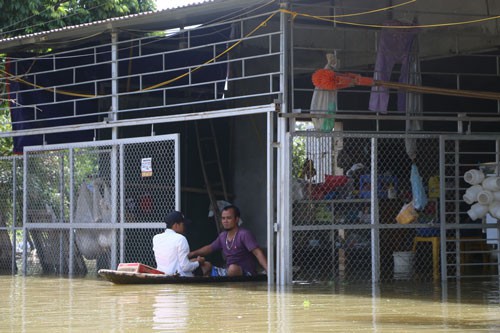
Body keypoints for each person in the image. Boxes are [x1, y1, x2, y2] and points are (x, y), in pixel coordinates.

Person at [189, 205, 268, 277]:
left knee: (233, 268)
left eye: (229, 218)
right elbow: (209, 248)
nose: (225, 221)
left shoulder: (244, 234)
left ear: (236, 219)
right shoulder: (223, 236)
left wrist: (269, 271)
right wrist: (192, 253)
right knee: (199, 263)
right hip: (227, 272)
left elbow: (258, 253)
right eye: (223, 218)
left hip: (246, 273)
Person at [153, 211, 211, 277]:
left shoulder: (156, 238)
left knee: (193, 261)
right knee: (207, 265)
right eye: (183, 224)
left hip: (162, 275)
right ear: (176, 225)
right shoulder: (181, 239)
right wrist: (199, 262)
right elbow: (185, 267)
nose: (184, 227)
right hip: (178, 277)